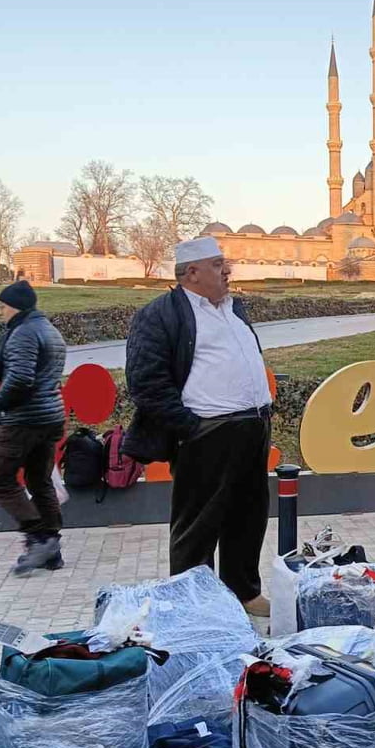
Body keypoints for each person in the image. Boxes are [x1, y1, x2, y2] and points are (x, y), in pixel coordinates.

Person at [123, 237, 273, 615]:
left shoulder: (233, 308)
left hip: (252, 429)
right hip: (206, 433)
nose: (228, 270)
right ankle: (196, 607)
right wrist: (189, 427)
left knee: (248, 517)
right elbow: (146, 382)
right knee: (198, 526)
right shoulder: (160, 314)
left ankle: (244, 592)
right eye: (218, 264)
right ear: (192, 272)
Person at [0, 281, 68, 576]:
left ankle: (39, 538)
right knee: (39, 480)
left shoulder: (23, 333)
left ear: (16, 307)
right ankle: (52, 550)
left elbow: (20, 378)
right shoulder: (49, 329)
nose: (0, 312)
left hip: (25, 419)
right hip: (51, 418)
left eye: (2, 306)